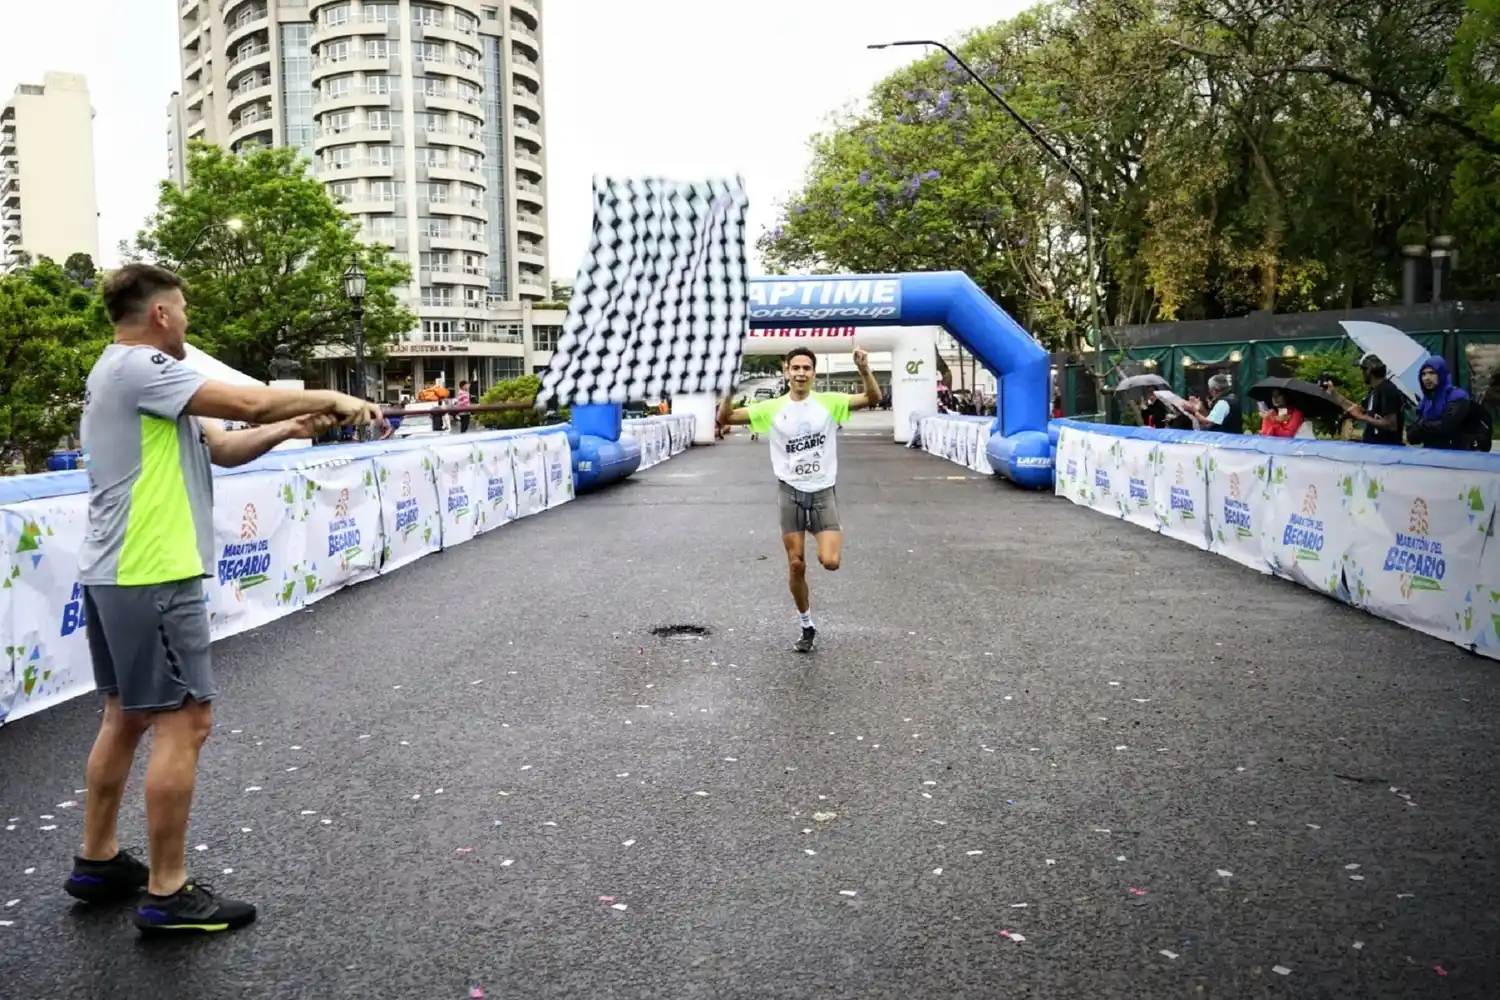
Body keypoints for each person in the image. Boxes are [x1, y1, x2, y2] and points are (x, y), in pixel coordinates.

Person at [68, 263, 383, 935]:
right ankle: (167, 892)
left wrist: (291, 428)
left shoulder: (126, 377)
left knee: (124, 715)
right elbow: (243, 403)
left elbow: (226, 447)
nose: (185, 320)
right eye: (180, 309)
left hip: (114, 571)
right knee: (186, 722)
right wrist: (332, 395)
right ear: (158, 315)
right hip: (151, 571)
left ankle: (97, 863)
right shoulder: (141, 367)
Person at [718, 347, 882, 652]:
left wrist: (864, 369)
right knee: (796, 565)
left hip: (822, 491)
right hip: (790, 491)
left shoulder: (829, 402)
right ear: (786, 371)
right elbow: (725, 417)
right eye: (796, 367)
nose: (801, 373)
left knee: (830, 562)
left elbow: (873, 399)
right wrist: (729, 387)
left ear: (813, 373)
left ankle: (821, 537)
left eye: (807, 368)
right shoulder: (771, 408)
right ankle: (807, 626)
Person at [1406, 355, 1482, 450]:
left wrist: (1422, 425)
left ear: (1441, 374)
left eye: (1432, 373)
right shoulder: (1425, 402)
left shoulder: (1457, 396)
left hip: (1458, 454)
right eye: (1423, 374)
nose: (1427, 378)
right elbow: (1412, 437)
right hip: (1429, 454)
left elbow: (1446, 427)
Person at [1327, 355, 1406, 445]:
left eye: (1362, 370)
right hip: (1375, 447)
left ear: (1368, 371)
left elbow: (1391, 424)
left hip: (1386, 450)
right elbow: (1358, 410)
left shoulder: (1387, 390)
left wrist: (1363, 417)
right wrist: (1333, 393)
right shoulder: (1375, 390)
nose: (1361, 374)